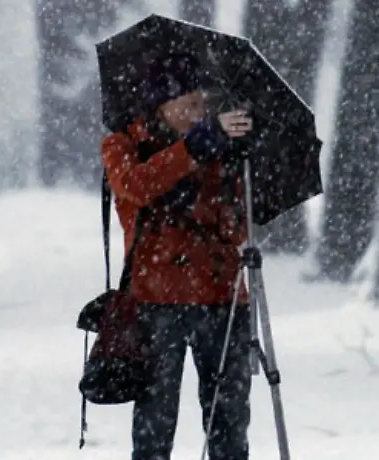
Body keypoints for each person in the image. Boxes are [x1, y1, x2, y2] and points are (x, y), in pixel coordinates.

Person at [100, 55, 254, 460]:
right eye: (188, 105)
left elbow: (236, 230)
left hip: (222, 297)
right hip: (155, 299)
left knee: (229, 421)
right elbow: (136, 186)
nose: (197, 113)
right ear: (160, 107)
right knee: (154, 420)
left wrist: (236, 163)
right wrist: (194, 149)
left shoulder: (221, 146)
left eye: (203, 104)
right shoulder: (123, 144)